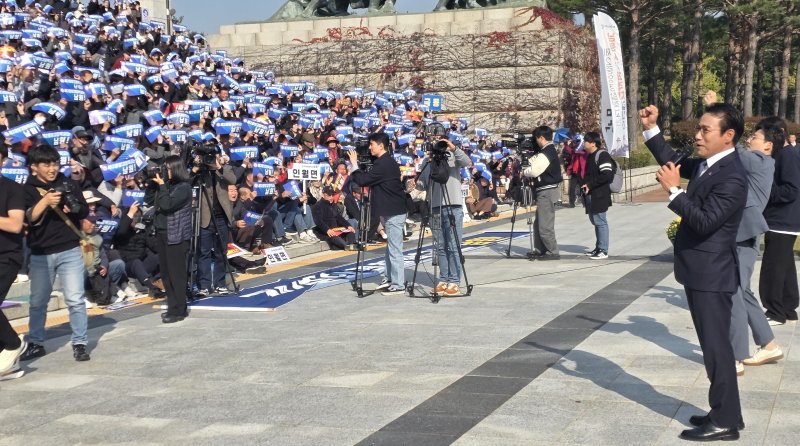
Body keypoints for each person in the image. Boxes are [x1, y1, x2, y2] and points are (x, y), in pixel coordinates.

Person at [640, 103, 746, 441]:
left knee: (717, 349)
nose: (697, 135)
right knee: (712, 347)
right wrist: (652, 129)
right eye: (698, 128)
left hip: (712, 274)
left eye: (705, 130)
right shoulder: (708, 165)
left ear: (728, 136)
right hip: (700, 271)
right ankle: (721, 410)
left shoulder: (732, 176)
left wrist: (674, 191)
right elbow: (673, 161)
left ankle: (727, 421)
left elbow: (703, 222)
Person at [21, 145, 92, 363]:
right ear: (34, 167)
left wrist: (74, 208)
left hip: (69, 248)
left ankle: (80, 343)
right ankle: (36, 342)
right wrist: (45, 202)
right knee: (38, 301)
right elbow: (28, 219)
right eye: (47, 164)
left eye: (55, 163)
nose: (52, 169)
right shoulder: (27, 189)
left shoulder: (67, 182)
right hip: (41, 252)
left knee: (75, 299)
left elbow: (84, 210)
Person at [731, 117, 783, 373]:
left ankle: (737, 356)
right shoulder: (760, 161)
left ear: (768, 146)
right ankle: (769, 343)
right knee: (741, 291)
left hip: (744, 235)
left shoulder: (759, 160)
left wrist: (718, 115)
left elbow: (734, 148)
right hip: (742, 234)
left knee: (735, 293)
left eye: (755, 137)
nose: (749, 139)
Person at [347, 132, 408, 295]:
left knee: (395, 249)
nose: (369, 147)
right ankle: (390, 278)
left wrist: (354, 164)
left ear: (381, 145)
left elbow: (362, 180)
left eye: (371, 144)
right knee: (391, 248)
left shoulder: (385, 164)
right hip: (390, 210)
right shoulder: (384, 161)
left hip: (394, 211)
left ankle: (398, 284)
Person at [412, 132, 472, 296]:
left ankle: (454, 280)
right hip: (435, 207)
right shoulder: (428, 161)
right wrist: (412, 187)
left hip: (453, 205)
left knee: (453, 245)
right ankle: (444, 279)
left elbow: (467, 162)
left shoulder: (452, 156)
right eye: (434, 142)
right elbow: (423, 183)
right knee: (439, 246)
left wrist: (453, 148)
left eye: (440, 141)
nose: (437, 145)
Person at [759, 119, 800, 326]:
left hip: (782, 220)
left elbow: (792, 189)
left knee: (772, 266)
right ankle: (788, 308)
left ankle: (775, 311)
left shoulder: (788, 155)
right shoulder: (783, 154)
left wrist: (766, 190)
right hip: (781, 220)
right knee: (784, 265)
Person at [152, 156, 193, 324]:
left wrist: (162, 186)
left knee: (177, 274)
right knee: (166, 274)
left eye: (167, 169)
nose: (165, 172)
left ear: (175, 169)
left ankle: (180, 310)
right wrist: (153, 185)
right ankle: (172, 306)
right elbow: (153, 202)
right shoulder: (167, 186)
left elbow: (167, 205)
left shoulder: (183, 188)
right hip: (162, 232)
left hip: (176, 234)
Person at [0, 145, 27, 379]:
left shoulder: (12, 189)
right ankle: (6, 361)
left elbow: (15, 224)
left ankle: (12, 344)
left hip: (6, 255)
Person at [523, 126, 562, 260]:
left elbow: (534, 170)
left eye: (536, 138)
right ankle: (540, 249)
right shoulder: (547, 151)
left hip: (547, 191)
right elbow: (535, 162)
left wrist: (524, 172)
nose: (535, 141)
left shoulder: (547, 151)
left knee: (545, 224)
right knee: (539, 223)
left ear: (541, 138)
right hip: (545, 190)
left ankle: (552, 251)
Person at [580, 132, 615, 260]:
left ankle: (603, 250)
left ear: (593, 143)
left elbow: (606, 174)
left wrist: (590, 184)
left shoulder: (602, 155)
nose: (584, 143)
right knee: (595, 221)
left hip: (599, 194)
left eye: (586, 141)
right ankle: (598, 247)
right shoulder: (590, 155)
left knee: (600, 221)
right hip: (591, 194)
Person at [312, 186, 356, 250]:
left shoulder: (333, 205)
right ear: (323, 194)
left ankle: (352, 244)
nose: (331, 197)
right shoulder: (317, 206)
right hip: (325, 232)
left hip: (336, 229)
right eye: (329, 195)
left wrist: (348, 226)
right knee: (335, 238)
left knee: (350, 232)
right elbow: (318, 221)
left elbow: (339, 217)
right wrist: (327, 230)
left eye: (332, 195)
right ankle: (347, 246)